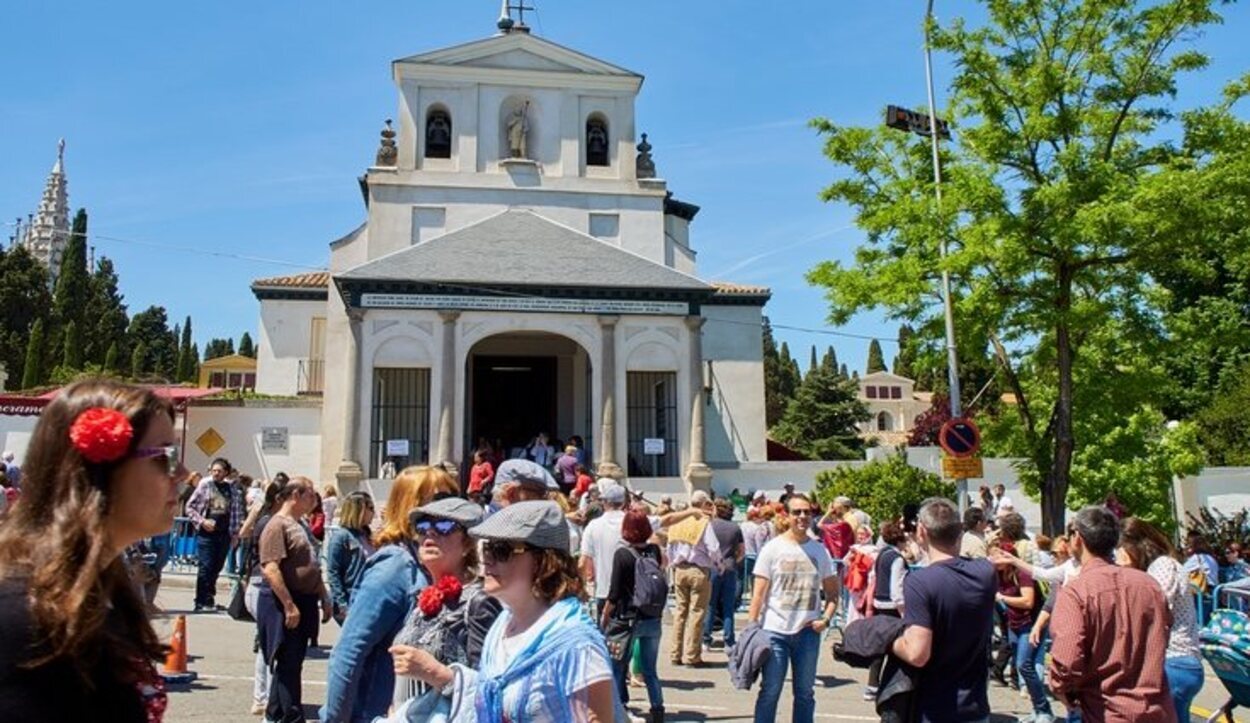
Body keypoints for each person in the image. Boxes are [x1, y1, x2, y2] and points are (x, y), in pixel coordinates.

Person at [0, 380, 186, 722]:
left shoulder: (96, 587)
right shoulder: (25, 611)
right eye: (166, 458)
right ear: (101, 468)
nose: (183, 474)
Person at [389, 500, 623, 721]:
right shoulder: (502, 626)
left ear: (543, 560)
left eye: (501, 550)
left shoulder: (577, 643)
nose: (487, 559)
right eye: (487, 548)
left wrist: (438, 673)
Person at [321, 466, 458, 723]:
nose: (449, 508)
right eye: (439, 500)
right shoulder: (394, 565)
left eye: (452, 498)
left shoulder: (429, 563)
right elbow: (348, 652)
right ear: (411, 506)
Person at [1049, 506, 1174, 722]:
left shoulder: (1076, 592)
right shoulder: (1149, 585)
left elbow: (1067, 660)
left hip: (1107, 711)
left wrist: (1062, 689)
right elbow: (1163, 634)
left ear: (1077, 538)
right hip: (1156, 710)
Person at [388, 497, 502, 713]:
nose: (430, 533)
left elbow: (492, 687)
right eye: (422, 527)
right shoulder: (424, 597)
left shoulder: (480, 601)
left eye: (444, 526)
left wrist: (435, 673)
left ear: (468, 543)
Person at [890, 497, 997, 723]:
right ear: (959, 531)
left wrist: (887, 638)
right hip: (975, 705)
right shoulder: (986, 573)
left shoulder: (920, 582)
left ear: (922, 531)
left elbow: (917, 654)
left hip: (935, 708)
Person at [747, 493, 838, 723]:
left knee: (805, 694)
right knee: (770, 690)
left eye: (807, 512)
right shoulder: (772, 548)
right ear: (786, 515)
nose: (802, 516)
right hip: (775, 631)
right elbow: (758, 593)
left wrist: (825, 619)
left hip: (807, 632)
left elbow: (833, 594)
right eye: (797, 512)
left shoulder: (819, 551)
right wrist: (751, 627)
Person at [257, 476, 332, 723]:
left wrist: (323, 594)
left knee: (293, 661)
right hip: (285, 601)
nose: (315, 499)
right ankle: (290, 716)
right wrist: (289, 604)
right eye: (310, 494)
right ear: (295, 496)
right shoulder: (276, 525)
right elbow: (271, 568)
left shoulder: (301, 525)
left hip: (306, 599)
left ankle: (276, 713)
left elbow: (311, 564)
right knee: (288, 661)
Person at [1117, 517, 1204, 721]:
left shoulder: (1163, 565)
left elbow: (1152, 608)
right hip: (1175, 662)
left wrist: (1125, 571)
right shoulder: (1154, 569)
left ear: (1135, 545)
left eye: (1120, 548)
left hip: (1174, 659)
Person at [601, 508, 667, 721]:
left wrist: (605, 615)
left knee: (619, 666)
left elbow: (615, 592)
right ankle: (657, 708)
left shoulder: (622, 554)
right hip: (652, 617)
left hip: (628, 618)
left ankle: (622, 706)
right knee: (650, 670)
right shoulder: (655, 551)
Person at [993, 541, 1051, 722]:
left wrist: (1002, 597)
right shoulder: (998, 574)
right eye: (992, 555)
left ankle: (1044, 710)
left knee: (1024, 666)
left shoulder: (1022, 574)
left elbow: (1028, 602)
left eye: (998, 555)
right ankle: (1037, 709)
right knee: (1024, 668)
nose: (994, 559)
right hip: (1014, 624)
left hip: (1031, 624)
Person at [185, 456, 246, 611]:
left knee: (217, 567)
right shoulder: (205, 485)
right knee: (206, 566)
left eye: (219, 471)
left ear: (226, 472)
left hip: (224, 534)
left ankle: (209, 599)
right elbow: (190, 507)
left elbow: (237, 513)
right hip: (206, 535)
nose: (216, 473)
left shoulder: (231, 489)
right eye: (214, 470)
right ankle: (200, 601)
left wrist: (235, 535)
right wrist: (202, 521)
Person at [667, 490, 720, 666]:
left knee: (680, 613)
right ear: (704, 504)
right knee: (697, 613)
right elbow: (713, 548)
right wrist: (719, 563)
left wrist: (673, 564)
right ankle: (692, 655)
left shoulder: (678, 520)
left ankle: (675, 653)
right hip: (698, 569)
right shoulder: (703, 522)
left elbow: (670, 546)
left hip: (680, 568)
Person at [864, 521, 908, 701]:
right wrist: (903, 611)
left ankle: (872, 685)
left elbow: (874, 578)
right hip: (892, 607)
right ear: (900, 539)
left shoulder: (882, 555)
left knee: (879, 649)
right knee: (896, 649)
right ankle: (890, 685)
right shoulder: (897, 559)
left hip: (879, 605)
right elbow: (896, 587)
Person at [324, 491, 376, 624]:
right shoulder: (341, 537)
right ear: (359, 510)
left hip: (368, 596)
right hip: (350, 598)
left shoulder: (368, 535)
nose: (373, 513)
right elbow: (333, 572)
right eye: (370, 508)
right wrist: (342, 604)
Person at [580, 482, 629, 615]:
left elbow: (583, 561)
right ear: (623, 503)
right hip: (630, 592)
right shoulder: (632, 522)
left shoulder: (593, 526)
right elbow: (667, 520)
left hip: (603, 590)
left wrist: (581, 587)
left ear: (605, 502)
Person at [704, 498, 745, 650]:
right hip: (730, 566)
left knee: (710, 604)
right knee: (728, 606)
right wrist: (735, 560)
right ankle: (729, 640)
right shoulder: (735, 528)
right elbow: (741, 551)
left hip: (713, 566)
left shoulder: (710, 526)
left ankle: (706, 638)